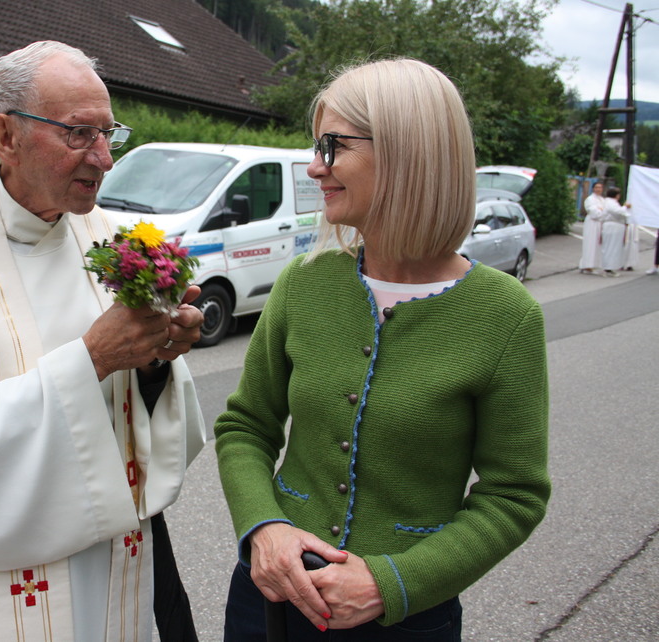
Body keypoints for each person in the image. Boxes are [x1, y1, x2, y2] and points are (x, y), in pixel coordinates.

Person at [0, 40, 206, 642]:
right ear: (6, 136)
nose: (104, 158)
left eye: (108, 133)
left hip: (117, 565)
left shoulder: (109, 238)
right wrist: (92, 358)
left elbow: (146, 418)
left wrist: (156, 356)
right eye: (79, 134)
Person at [215, 58, 551, 641]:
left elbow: (514, 495)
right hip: (267, 597)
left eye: (332, 146)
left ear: (406, 153)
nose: (314, 167)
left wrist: (391, 582)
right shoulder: (303, 283)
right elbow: (245, 426)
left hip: (405, 617)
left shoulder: (506, 315)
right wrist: (264, 527)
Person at [599, 187, 631, 276]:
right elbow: (618, 212)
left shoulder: (611, 202)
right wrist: (625, 207)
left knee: (614, 247)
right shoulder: (610, 202)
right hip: (612, 226)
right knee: (611, 247)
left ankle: (610, 267)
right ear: (616, 195)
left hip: (615, 226)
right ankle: (608, 268)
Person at [579, 181, 605, 274]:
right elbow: (593, 212)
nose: (598, 189)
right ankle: (587, 265)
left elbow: (605, 211)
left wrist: (602, 211)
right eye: (596, 187)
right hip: (592, 223)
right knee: (590, 244)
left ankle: (594, 265)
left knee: (597, 245)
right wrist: (601, 211)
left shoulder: (602, 199)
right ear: (593, 188)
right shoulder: (590, 199)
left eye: (600, 187)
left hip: (600, 224)